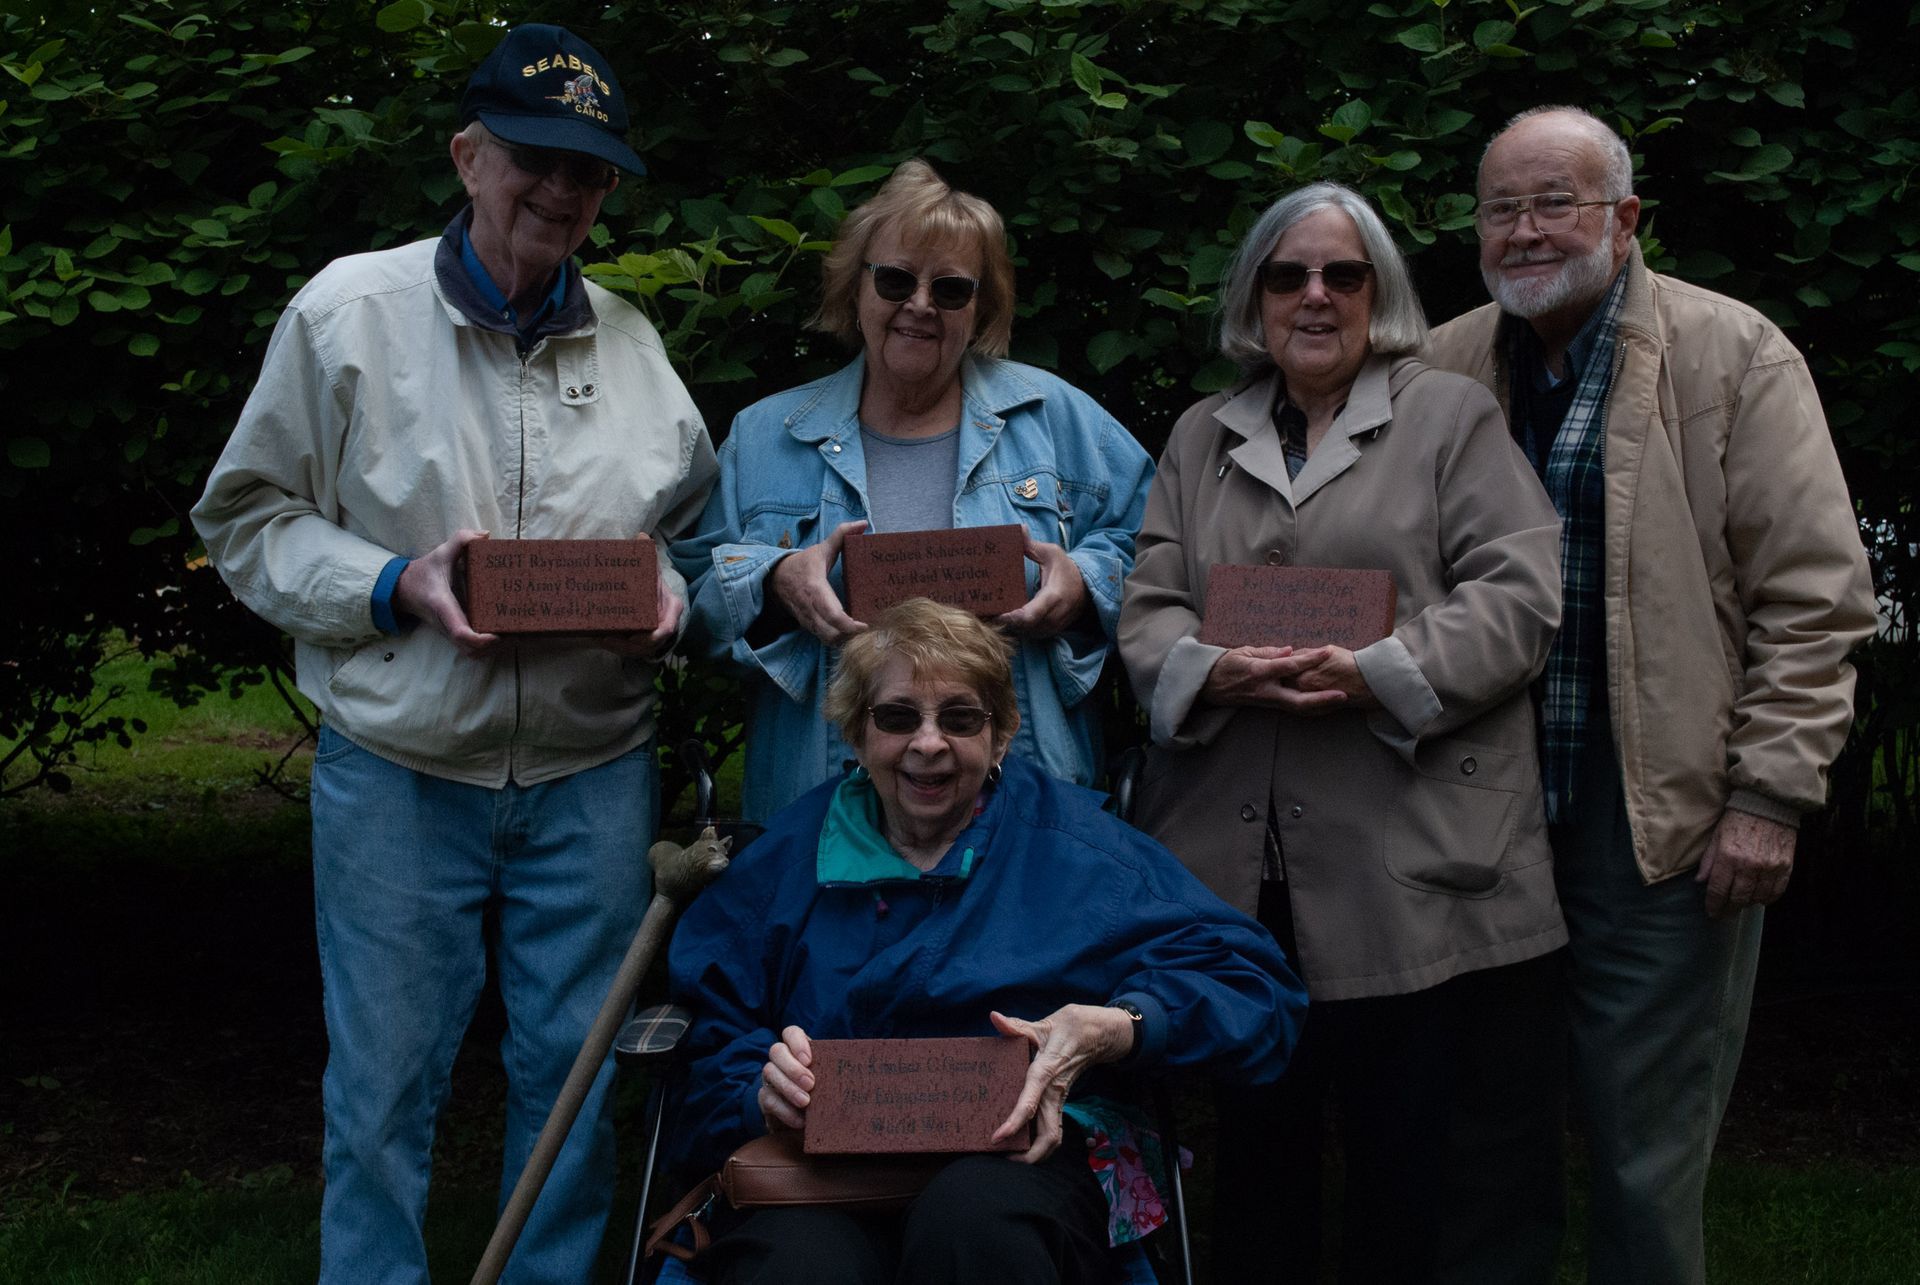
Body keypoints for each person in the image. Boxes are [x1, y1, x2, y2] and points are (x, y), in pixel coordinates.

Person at [190, 25, 717, 1282]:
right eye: (534, 158)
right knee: (382, 1084)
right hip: (401, 765)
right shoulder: (347, 315)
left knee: (575, 1078)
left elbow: (692, 540)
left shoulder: (634, 345)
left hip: (591, 771)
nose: (560, 190)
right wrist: (392, 585)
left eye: (587, 172)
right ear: (469, 156)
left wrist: (671, 604)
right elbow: (247, 518)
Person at [1424, 106, 1876, 1283]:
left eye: (1555, 203)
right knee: (1485, 1147)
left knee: (1646, 1156)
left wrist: (1769, 794)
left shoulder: (1735, 355)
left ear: (1624, 220)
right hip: (1478, 821)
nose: (1526, 231)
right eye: (1502, 209)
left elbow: (1816, 597)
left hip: (1657, 825)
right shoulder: (1439, 365)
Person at [1118, 182, 1568, 1284]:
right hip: (1237, 862)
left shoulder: (1450, 417)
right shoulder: (1200, 434)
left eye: (1343, 275)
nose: (1314, 296)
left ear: (1381, 294)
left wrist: (1380, 674)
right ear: (1255, 298)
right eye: (1288, 275)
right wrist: (1213, 668)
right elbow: (1149, 606)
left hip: (1403, 855)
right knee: (1257, 1151)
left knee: (1402, 1160)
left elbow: (1519, 595)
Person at [665, 597, 1305, 1285]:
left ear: (1001, 735)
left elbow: (1255, 985)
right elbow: (707, 1037)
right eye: (898, 717)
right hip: (813, 1167)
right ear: (856, 732)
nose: (929, 743)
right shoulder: (782, 863)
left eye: (960, 718)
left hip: (1024, 1159)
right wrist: (758, 1091)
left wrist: (1120, 1025)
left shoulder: (1079, 853)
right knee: (803, 1268)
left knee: (974, 1225)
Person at [671, 160, 1154, 823]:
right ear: (856, 288)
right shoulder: (764, 437)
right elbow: (688, 598)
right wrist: (776, 580)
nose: (920, 305)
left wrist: (1085, 583)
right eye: (896, 280)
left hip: (1025, 804)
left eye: (950, 289)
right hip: (820, 804)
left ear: (981, 306)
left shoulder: (1059, 420)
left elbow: (1161, 556)